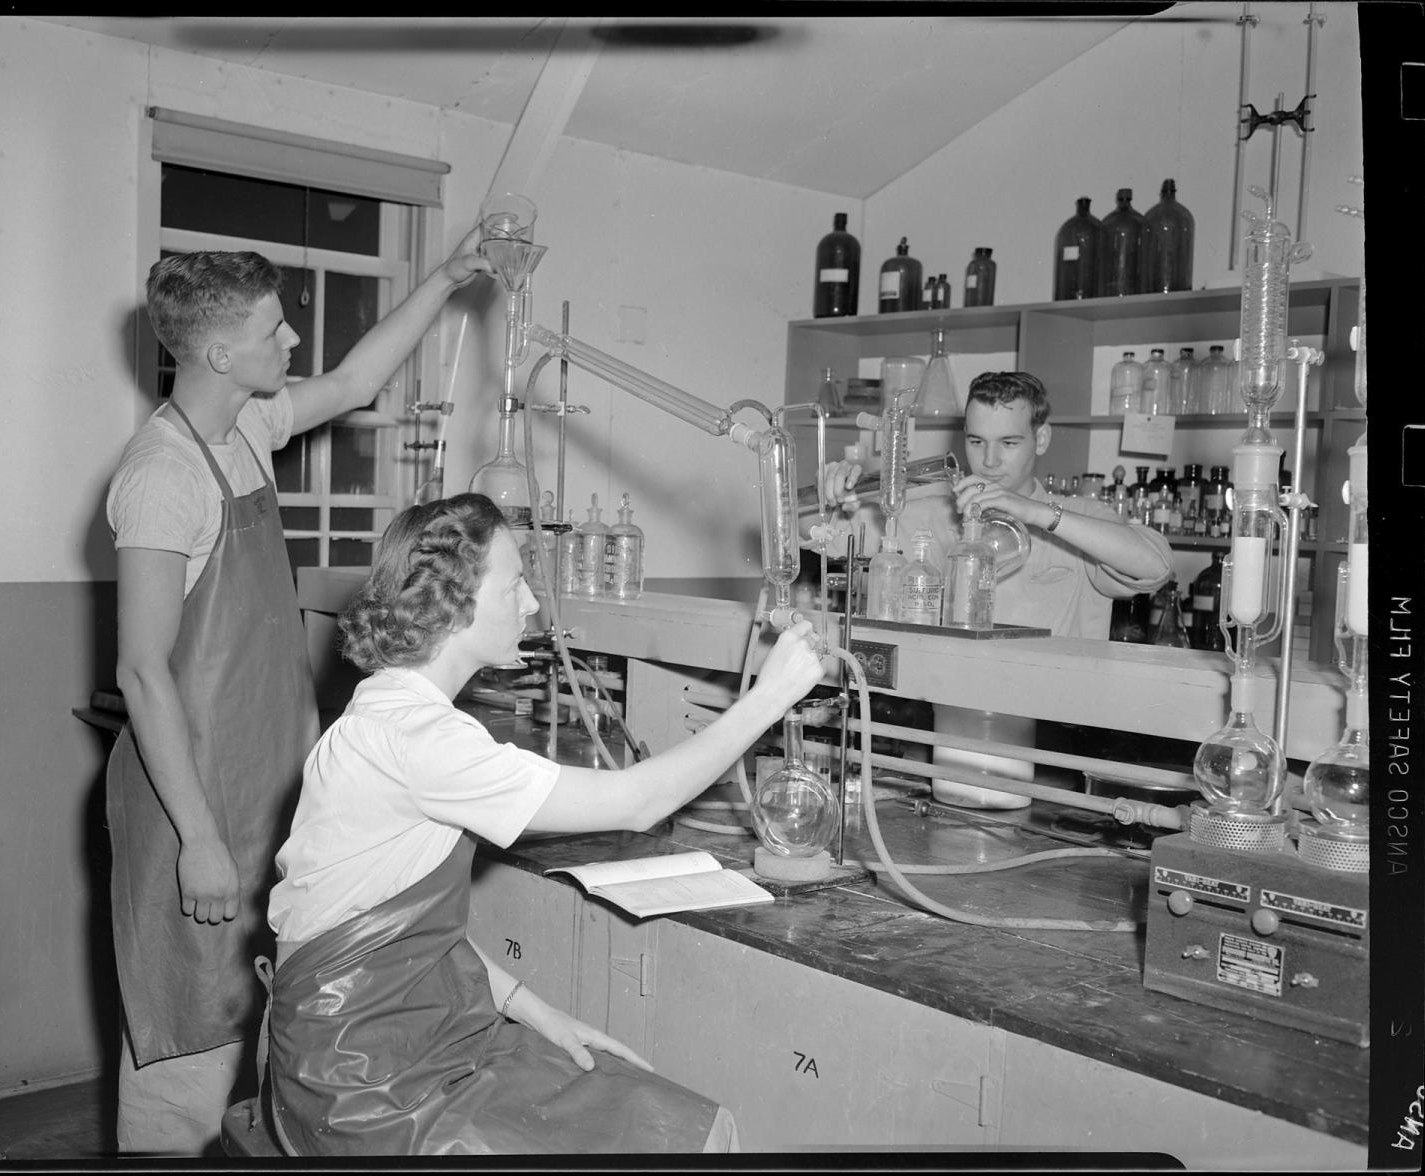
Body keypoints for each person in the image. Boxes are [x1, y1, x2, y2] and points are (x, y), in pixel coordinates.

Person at [264, 494, 827, 1154]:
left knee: (682, 1124)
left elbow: (403, 934)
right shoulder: (419, 739)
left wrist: (539, 1012)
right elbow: (639, 803)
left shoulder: (389, 711)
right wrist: (770, 697)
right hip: (361, 1077)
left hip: (400, 1032)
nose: (532, 603)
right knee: (681, 1139)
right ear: (457, 600)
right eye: (516, 583)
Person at [105, 238, 491, 1156]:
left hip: (266, 783)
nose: (292, 336)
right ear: (218, 354)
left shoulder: (246, 429)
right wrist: (199, 840)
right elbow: (142, 672)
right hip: (188, 805)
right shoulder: (161, 475)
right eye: (272, 326)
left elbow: (357, 380)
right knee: (185, 1047)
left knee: (273, 1038)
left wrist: (445, 276)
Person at [821, 370, 1172, 639]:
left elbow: (1154, 567)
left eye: (1008, 442)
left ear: (1042, 438)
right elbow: (817, 534)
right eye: (976, 441)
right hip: (952, 709)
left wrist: (1034, 512)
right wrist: (831, 492)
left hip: (1047, 718)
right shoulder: (932, 512)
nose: (989, 461)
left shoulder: (1081, 517)